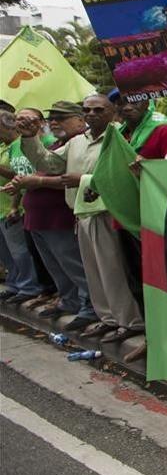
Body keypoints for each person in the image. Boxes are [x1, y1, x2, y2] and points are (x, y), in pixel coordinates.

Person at [17, 95, 146, 353]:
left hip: (107, 211)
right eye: (87, 110)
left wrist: (85, 179)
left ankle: (130, 322)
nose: (92, 114)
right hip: (81, 212)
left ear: (112, 112)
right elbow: (49, 164)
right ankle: (108, 318)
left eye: (99, 110)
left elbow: (121, 175)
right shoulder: (77, 141)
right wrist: (31, 138)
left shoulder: (120, 138)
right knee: (94, 271)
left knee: (113, 271)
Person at [4, 102, 97, 327]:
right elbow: (46, 164)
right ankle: (69, 300)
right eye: (53, 118)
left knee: (75, 264)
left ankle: (90, 306)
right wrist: (29, 137)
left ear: (79, 120)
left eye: (62, 118)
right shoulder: (62, 143)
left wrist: (39, 181)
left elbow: (77, 177)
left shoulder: (86, 141)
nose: (55, 122)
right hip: (38, 215)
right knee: (56, 264)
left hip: (64, 215)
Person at [0, 111, 45, 306]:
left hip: (20, 207)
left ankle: (29, 286)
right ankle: (15, 284)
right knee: (7, 252)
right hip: (6, 207)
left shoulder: (23, 145)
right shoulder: (5, 147)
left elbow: (19, 176)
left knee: (20, 251)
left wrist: (13, 206)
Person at [113, 89, 167, 158]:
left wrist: (148, 164)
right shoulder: (117, 134)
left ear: (146, 103)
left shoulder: (165, 131)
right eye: (120, 103)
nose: (127, 108)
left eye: (134, 102)